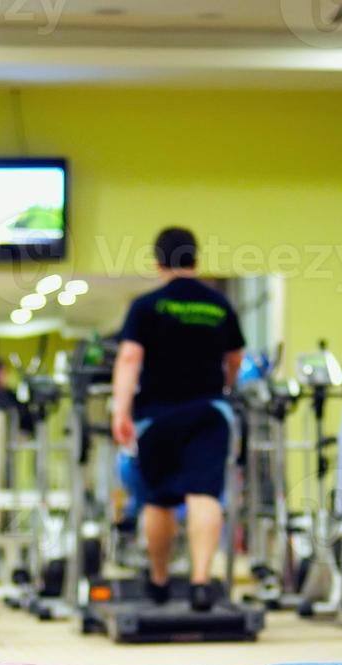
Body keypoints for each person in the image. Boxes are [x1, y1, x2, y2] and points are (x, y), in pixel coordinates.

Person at [111, 227, 244, 612]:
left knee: (159, 500)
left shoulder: (146, 305)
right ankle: (202, 582)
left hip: (158, 416)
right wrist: (226, 384)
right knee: (205, 495)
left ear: (158, 262)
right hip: (208, 412)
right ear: (196, 261)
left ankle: (159, 580)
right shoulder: (219, 305)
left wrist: (121, 410)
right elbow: (235, 358)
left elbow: (129, 359)